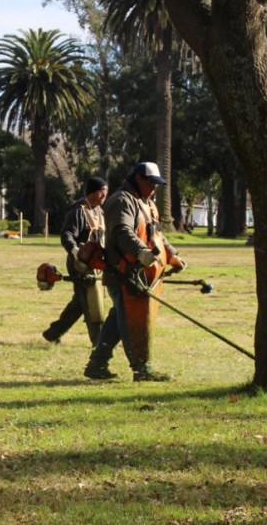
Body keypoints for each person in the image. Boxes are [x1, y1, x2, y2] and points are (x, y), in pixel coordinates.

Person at [84, 162, 186, 381]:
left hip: (141, 275)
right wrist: (141, 252)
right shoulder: (122, 201)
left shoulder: (146, 202)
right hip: (124, 273)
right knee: (131, 319)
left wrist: (172, 254)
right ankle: (142, 368)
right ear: (138, 179)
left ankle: (97, 364)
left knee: (119, 317)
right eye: (151, 183)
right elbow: (121, 232)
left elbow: (157, 233)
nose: (154, 188)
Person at [42, 177, 109, 348]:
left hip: (95, 263)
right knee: (91, 299)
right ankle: (99, 341)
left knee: (79, 302)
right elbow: (67, 234)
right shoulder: (80, 210)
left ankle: (53, 333)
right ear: (94, 192)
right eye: (103, 192)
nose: (105, 195)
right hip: (80, 264)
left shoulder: (99, 211)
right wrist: (75, 251)